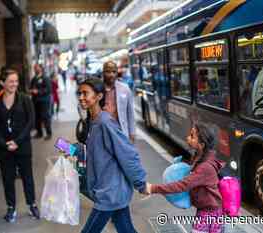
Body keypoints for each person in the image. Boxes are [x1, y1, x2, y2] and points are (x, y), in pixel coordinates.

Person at [77, 78, 147, 233]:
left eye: (85, 93)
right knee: (126, 229)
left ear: (99, 96)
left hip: (110, 192)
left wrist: (140, 183)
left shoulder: (105, 123)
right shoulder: (93, 121)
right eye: (79, 93)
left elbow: (128, 154)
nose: (81, 97)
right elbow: (95, 152)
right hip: (108, 189)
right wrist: (71, 150)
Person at [147, 123, 225, 233]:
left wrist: (153, 188)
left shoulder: (205, 167)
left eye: (192, 136)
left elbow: (183, 185)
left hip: (211, 213)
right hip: (205, 209)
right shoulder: (199, 156)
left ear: (202, 145)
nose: (188, 138)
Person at [0, 68, 40, 223]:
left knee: (27, 177)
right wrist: (4, 144)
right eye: (11, 81)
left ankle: (32, 204)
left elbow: (30, 122)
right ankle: (11, 207)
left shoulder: (25, 99)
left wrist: (17, 142)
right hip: (4, 149)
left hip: (22, 146)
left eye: (16, 81)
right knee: (8, 179)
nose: (14, 84)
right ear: (2, 83)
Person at [102, 61, 135, 143]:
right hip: (102, 132)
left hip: (120, 132)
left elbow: (130, 113)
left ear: (117, 73)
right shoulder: (97, 88)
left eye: (114, 72)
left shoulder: (125, 88)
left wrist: (132, 133)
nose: (111, 75)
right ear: (103, 73)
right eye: (108, 71)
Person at [30, 64, 52, 140]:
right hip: (36, 101)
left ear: (41, 68)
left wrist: (38, 91)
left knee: (45, 117)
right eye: (34, 68)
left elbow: (48, 89)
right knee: (37, 117)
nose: (35, 69)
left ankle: (49, 133)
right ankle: (39, 133)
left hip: (44, 101)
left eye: (37, 68)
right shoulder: (34, 79)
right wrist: (31, 91)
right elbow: (31, 87)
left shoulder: (45, 78)